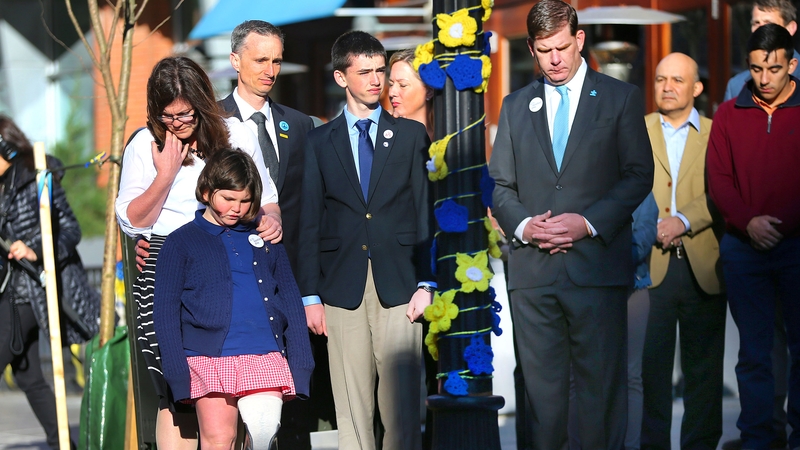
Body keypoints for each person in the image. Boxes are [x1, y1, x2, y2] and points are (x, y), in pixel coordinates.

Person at [488, 0, 654, 448]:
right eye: (544, 50)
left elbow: (639, 174)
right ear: (531, 48)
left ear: (579, 39)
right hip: (533, 274)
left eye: (562, 47)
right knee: (543, 408)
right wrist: (524, 226)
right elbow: (499, 184)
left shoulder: (620, 97)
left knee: (600, 401)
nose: (555, 59)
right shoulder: (516, 105)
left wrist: (587, 222)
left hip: (596, 270)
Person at [115, 56, 281, 449]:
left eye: (185, 114)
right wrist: (166, 174)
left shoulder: (236, 134)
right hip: (164, 262)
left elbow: (268, 199)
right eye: (167, 115)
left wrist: (271, 220)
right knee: (178, 389)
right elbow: (132, 220)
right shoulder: (145, 143)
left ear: (203, 102)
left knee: (230, 381)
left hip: (230, 263)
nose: (176, 123)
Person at [297, 30, 433, 450]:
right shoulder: (318, 142)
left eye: (381, 71)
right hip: (340, 289)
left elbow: (425, 213)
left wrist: (428, 283)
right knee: (351, 413)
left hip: (402, 286)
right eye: (366, 72)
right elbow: (309, 222)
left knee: (404, 410)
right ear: (341, 78)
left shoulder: (410, 136)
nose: (378, 81)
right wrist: (310, 297)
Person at [153, 148, 313, 449]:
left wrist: (301, 362)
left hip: (265, 354)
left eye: (245, 201)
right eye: (228, 198)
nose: (236, 209)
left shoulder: (266, 239)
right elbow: (165, 313)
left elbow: (290, 299)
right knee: (219, 439)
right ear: (205, 191)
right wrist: (176, 372)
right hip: (207, 358)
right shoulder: (179, 242)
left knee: (263, 436)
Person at [218, 20, 326, 449]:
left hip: (292, 276)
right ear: (235, 61)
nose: (270, 70)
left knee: (294, 389)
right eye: (260, 59)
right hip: (234, 281)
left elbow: (313, 204)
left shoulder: (301, 125)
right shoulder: (212, 123)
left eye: (276, 60)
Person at [707, 23, 800, 450]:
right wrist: (749, 222)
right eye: (757, 68)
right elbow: (718, 180)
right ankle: (759, 439)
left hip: (797, 244)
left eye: (775, 68)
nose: (764, 78)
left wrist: (777, 223)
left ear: (792, 65)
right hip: (744, 249)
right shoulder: (728, 113)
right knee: (754, 352)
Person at [639, 53, 727, 450]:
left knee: (704, 373)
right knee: (649, 371)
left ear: (697, 88)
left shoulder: (718, 131)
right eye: (660, 79)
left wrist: (684, 221)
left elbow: (725, 191)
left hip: (701, 266)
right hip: (648, 267)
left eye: (677, 79)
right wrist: (650, 224)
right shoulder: (635, 130)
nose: (667, 86)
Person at [0, 115, 100, 450]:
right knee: (28, 375)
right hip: (8, 290)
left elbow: (71, 230)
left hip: (31, 290)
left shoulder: (37, 175)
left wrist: (34, 249)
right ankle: (64, 445)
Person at [724, 0, 799, 102]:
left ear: (790, 28)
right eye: (756, 23)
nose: (760, 30)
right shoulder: (736, 86)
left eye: (768, 24)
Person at [388, 48, 434, 139]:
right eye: (391, 84)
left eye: (403, 85)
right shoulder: (387, 133)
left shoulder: (446, 137)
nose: (391, 92)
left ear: (429, 91)